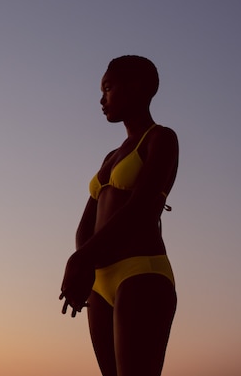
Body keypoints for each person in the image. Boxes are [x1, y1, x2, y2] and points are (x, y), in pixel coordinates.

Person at [59, 55, 178, 376]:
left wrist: (80, 259)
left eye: (108, 88)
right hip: (99, 280)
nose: (102, 99)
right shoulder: (111, 156)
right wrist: (84, 259)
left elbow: (141, 209)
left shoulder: (160, 138)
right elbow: (89, 218)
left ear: (138, 88)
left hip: (140, 271)